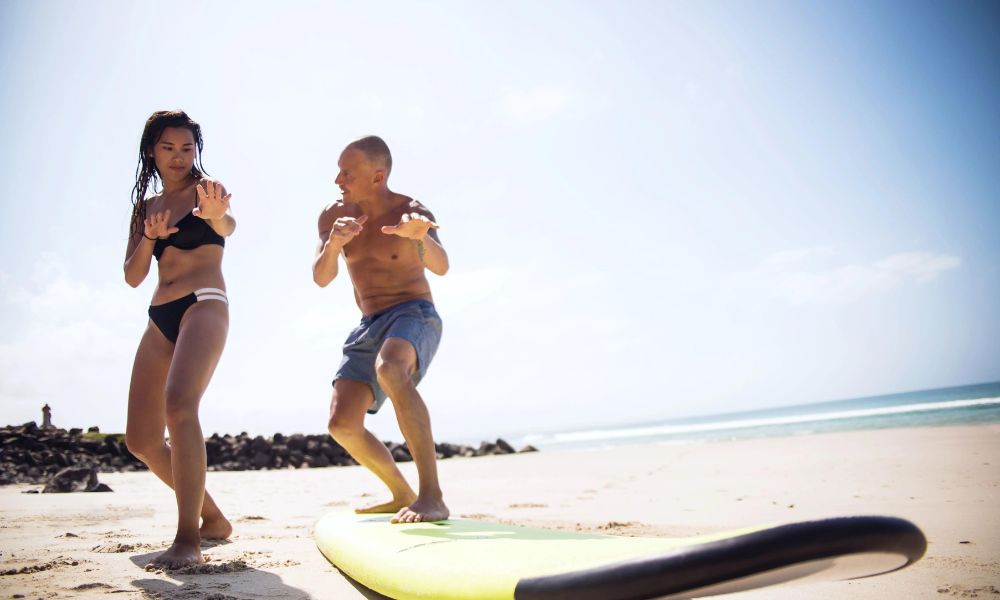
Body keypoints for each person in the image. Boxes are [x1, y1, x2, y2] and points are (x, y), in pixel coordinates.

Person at [314, 135, 450, 523]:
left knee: (391, 369)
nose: (338, 180)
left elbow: (441, 267)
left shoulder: (410, 210)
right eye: (339, 171)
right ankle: (400, 492)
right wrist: (333, 245)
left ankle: (432, 496)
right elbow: (321, 278)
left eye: (347, 173)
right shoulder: (332, 216)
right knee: (342, 424)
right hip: (368, 324)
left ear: (377, 176)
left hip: (413, 313)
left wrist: (421, 237)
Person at [122, 110, 236, 569]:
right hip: (159, 316)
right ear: (153, 150)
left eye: (187, 148)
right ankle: (213, 519)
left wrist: (217, 215)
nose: (178, 157)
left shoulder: (208, 192)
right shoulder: (145, 208)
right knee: (142, 440)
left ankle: (187, 538)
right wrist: (149, 238)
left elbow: (227, 227)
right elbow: (132, 277)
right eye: (168, 148)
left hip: (204, 303)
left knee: (180, 406)